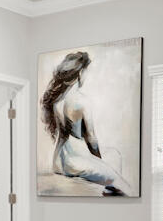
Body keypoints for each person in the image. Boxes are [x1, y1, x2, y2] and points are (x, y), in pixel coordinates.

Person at [41, 50, 125, 195]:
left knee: (113, 154)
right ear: (80, 73)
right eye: (86, 71)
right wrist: (100, 161)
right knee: (121, 183)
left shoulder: (57, 100)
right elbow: (91, 139)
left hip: (58, 161)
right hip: (75, 162)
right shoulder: (81, 101)